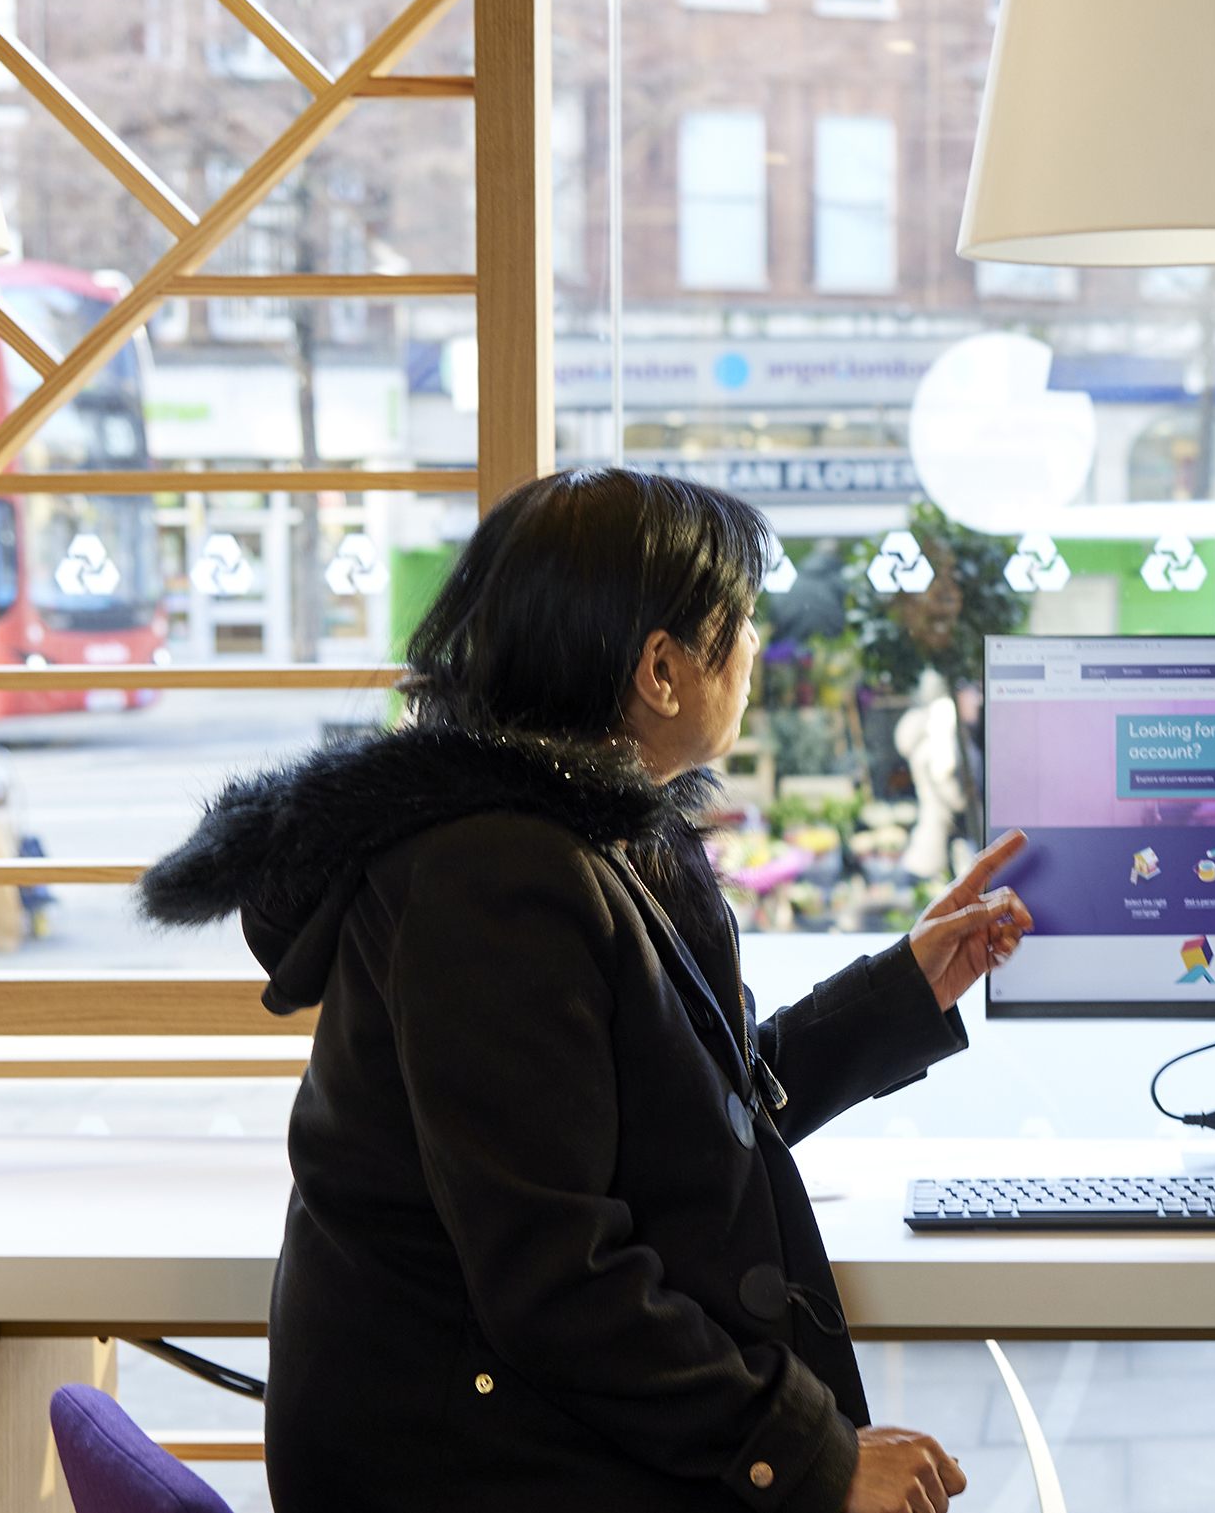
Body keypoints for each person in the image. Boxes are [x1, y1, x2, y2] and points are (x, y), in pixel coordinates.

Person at [140, 468, 1033, 1513]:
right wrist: (808, 1457)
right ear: (661, 669)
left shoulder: (586, 838)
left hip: (527, 1430)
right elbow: (556, 1279)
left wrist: (910, 985)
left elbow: (706, 1102)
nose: (753, 651)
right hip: (478, 1469)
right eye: (738, 624)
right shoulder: (496, 877)